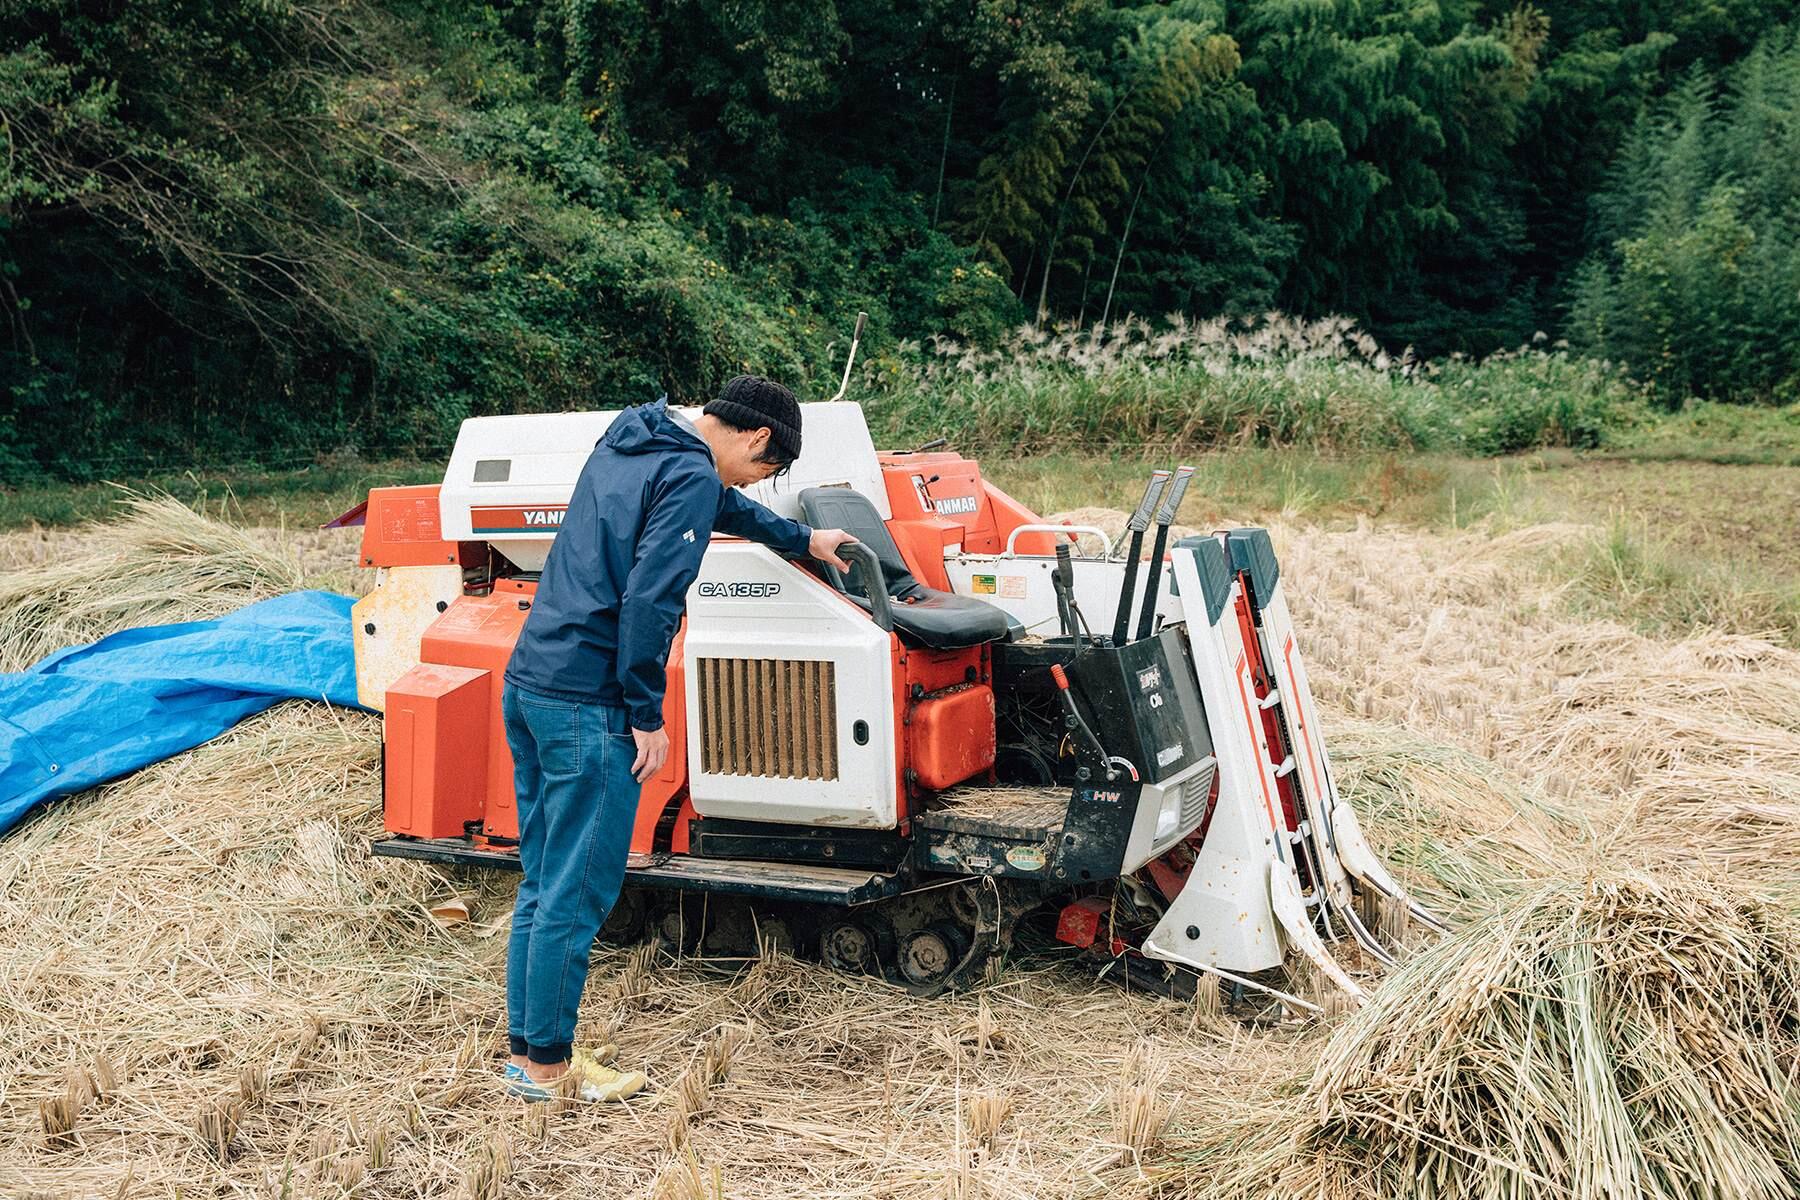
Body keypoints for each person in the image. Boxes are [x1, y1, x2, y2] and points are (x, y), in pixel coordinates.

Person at [497, 376, 856, 1102]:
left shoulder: (637, 434)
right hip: (590, 703)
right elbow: (651, 600)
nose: (756, 482)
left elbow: (716, 502)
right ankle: (548, 1069)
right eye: (768, 471)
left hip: (531, 681)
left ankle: (529, 1048)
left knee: (544, 878)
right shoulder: (690, 472)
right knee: (578, 888)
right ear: (757, 438)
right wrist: (645, 713)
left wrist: (802, 538)